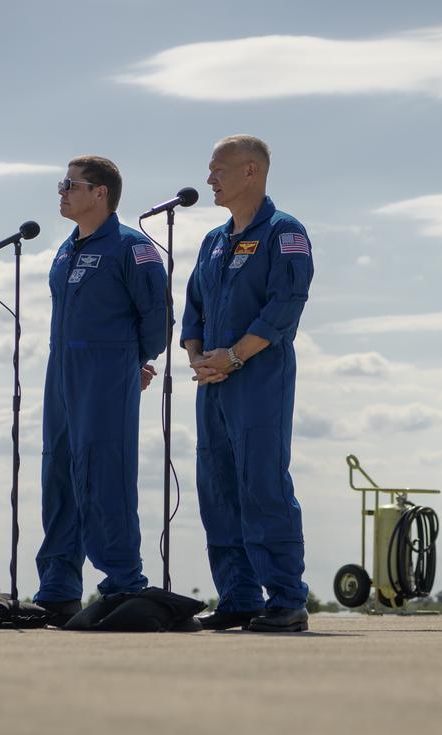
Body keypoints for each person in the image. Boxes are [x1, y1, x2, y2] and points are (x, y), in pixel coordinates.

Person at [181, 135, 314, 633]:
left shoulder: (285, 233)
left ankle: (285, 599)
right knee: (217, 486)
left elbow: (285, 304)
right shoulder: (213, 242)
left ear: (251, 171)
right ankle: (237, 596)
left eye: (218, 170)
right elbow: (193, 306)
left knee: (262, 484)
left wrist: (235, 356)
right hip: (212, 382)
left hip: (259, 378)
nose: (209, 179)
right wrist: (198, 358)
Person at [33, 155, 168, 626]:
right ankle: (58, 587)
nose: (62, 192)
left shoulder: (132, 248)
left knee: (104, 471)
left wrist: (133, 361)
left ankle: (123, 581)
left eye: (71, 184)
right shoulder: (65, 249)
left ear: (100, 193)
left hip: (107, 370)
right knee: (59, 472)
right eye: (61, 184)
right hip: (62, 371)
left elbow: (156, 318)